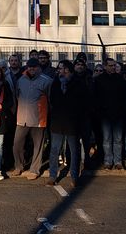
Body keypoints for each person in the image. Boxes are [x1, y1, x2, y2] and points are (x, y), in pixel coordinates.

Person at [47, 60, 87, 188]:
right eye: (59, 69)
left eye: (63, 69)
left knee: (74, 151)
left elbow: (83, 103)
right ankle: (53, 175)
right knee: (54, 150)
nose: (60, 71)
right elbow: (52, 100)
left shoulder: (78, 83)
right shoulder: (56, 83)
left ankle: (74, 176)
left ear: (69, 70)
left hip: (72, 122)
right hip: (58, 121)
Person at [12, 58, 52, 180]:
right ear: (27, 67)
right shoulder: (21, 80)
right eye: (30, 67)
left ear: (38, 67)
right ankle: (19, 166)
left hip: (38, 119)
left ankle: (34, 169)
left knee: (38, 146)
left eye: (34, 67)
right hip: (22, 118)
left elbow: (51, 100)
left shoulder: (47, 81)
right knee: (17, 144)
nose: (31, 69)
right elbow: (17, 96)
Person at [94, 58, 126, 170]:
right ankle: (108, 161)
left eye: (114, 65)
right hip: (105, 115)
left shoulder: (119, 79)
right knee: (107, 139)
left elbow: (123, 96)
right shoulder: (99, 80)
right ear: (105, 66)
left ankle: (118, 161)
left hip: (118, 114)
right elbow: (96, 98)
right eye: (110, 65)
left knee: (118, 139)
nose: (113, 67)